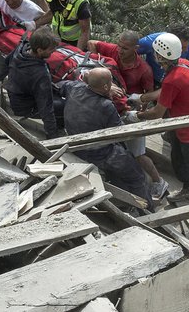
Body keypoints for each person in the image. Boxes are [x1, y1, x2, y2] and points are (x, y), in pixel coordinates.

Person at [136, 32, 189, 226]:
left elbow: (158, 113)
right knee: (178, 160)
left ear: (160, 56)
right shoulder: (185, 64)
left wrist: (138, 115)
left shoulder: (172, 78)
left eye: (155, 53)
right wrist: (143, 98)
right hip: (183, 125)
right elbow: (166, 93)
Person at [87, 30, 167, 199]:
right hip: (109, 109)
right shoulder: (113, 51)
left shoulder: (144, 70)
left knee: (138, 153)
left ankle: (158, 181)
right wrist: (97, 68)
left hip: (130, 112)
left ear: (136, 48)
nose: (120, 51)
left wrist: (136, 111)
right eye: (119, 45)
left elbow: (148, 95)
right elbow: (92, 44)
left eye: (125, 48)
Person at [60, 67, 152, 208]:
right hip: (101, 153)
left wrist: (93, 83)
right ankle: (147, 211)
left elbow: (63, 84)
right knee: (137, 177)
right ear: (105, 86)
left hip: (77, 148)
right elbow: (118, 134)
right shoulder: (105, 106)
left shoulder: (74, 88)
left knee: (118, 172)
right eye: (110, 83)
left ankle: (123, 204)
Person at [4, 27, 63, 138]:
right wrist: (52, 136)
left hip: (16, 96)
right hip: (26, 108)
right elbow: (46, 107)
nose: (54, 51)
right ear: (40, 50)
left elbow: (6, 61)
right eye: (51, 49)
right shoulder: (40, 73)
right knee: (64, 106)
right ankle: (58, 130)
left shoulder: (21, 49)